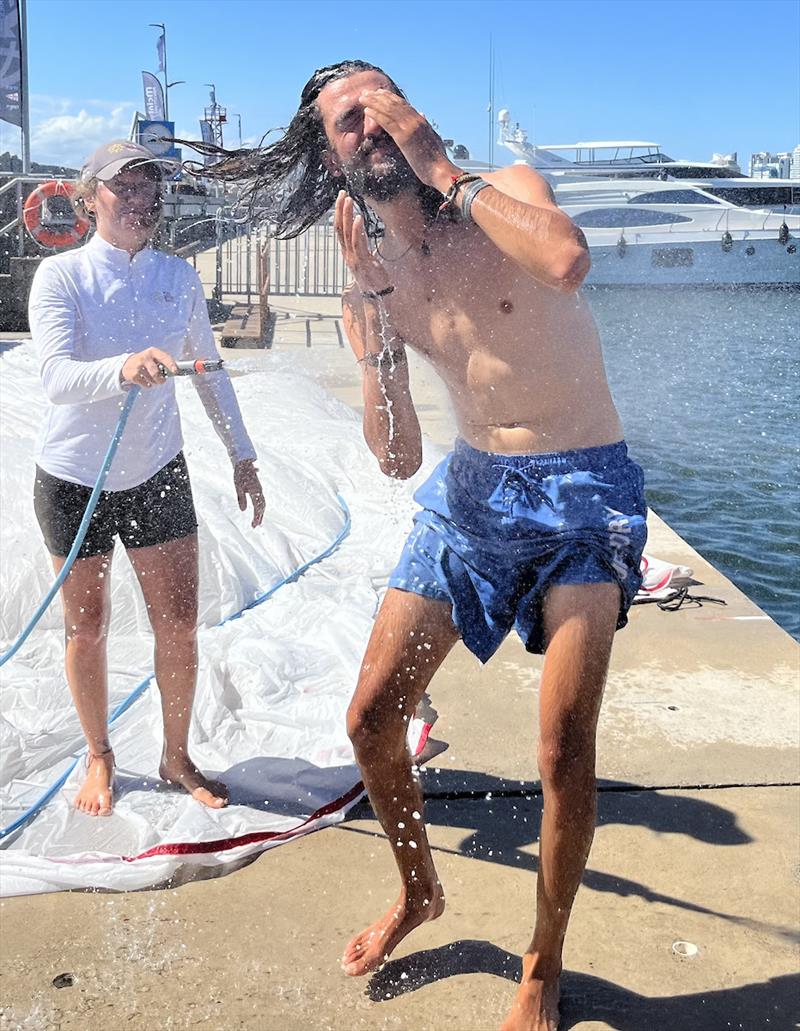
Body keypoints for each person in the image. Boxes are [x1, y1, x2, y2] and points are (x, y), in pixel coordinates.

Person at [201, 61, 647, 1031]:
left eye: (377, 106)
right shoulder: (370, 260)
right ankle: (419, 890)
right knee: (369, 718)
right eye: (343, 121)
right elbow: (398, 457)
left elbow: (567, 262)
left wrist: (443, 166)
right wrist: (374, 339)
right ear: (329, 155)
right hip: (470, 488)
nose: (365, 127)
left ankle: (542, 960)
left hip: (581, 482)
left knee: (562, 743)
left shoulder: (503, 192)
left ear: (409, 117)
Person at [28, 139, 265, 819]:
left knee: (180, 627)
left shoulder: (178, 278)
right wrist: (122, 367)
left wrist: (241, 453)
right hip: (76, 478)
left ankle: (174, 753)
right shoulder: (62, 278)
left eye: (149, 188)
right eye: (123, 187)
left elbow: (210, 372)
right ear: (89, 196)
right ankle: (100, 752)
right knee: (88, 628)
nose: (140, 199)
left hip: (158, 470)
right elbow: (55, 378)